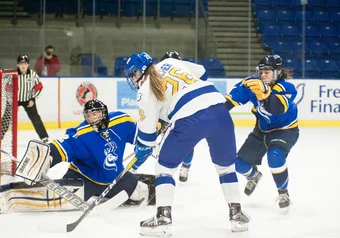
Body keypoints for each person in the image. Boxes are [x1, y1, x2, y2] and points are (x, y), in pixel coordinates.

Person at [124, 52, 249, 236]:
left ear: (139, 70)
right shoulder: (170, 62)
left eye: (132, 74)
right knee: (226, 168)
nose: (133, 80)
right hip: (219, 110)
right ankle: (237, 216)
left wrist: (142, 149)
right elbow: (203, 73)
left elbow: (147, 138)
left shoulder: (145, 90)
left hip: (189, 119)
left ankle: (163, 219)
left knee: (164, 168)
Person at [0, 99, 155, 213]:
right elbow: (61, 147)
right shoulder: (81, 134)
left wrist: (147, 144)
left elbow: (142, 137)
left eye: (96, 114)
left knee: (145, 191)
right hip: (84, 179)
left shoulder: (121, 121)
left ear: (104, 112)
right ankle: (7, 197)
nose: (92, 118)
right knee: (57, 200)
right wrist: (45, 158)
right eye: (89, 115)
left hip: (113, 178)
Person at [224, 54, 299, 212]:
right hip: (262, 131)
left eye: (268, 72)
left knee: (275, 157)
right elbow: (230, 101)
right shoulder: (252, 83)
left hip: (285, 131)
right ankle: (253, 176)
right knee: (239, 164)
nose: (263, 75)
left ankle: (283, 192)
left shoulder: (287, 88)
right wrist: (216, 114)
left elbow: (277, 109)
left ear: (278, 72)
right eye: (261, 71)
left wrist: (265, 95)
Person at [159, 51, 208, 183]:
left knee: (186, 140)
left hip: (184, 111)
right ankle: (168, 166)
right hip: (169, 111)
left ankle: (184, 166)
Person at [16, 54, 49, 142]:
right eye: (21, 63)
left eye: (25, 63)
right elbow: (7, 88)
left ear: (28, 64)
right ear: (17, 65)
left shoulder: (33, 74)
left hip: (28, 100)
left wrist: (33, 99)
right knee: (6, 119)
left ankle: (44, 137)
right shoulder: (13, 75)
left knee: (35, 118)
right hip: (15, 100)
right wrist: (10, 100)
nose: (23, 65)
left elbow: (39, 87)